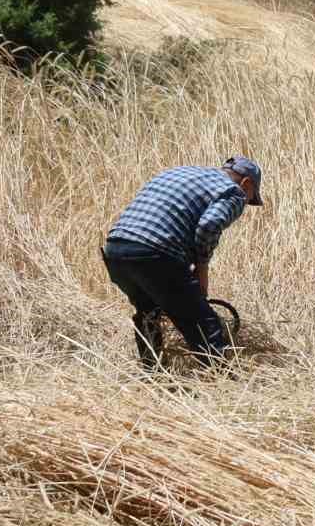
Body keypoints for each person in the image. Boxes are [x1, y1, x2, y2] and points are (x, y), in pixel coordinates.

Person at [101, 157, 264, 370]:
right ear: (247, 184)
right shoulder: (233, 192)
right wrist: (202, 268)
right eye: (251, 196)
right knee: (203, 323)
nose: (246, 201)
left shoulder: (179, 172)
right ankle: (223, 383)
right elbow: (209, 225)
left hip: (116, 250)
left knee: (149, 314)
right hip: (155, 253)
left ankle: (154, 376)